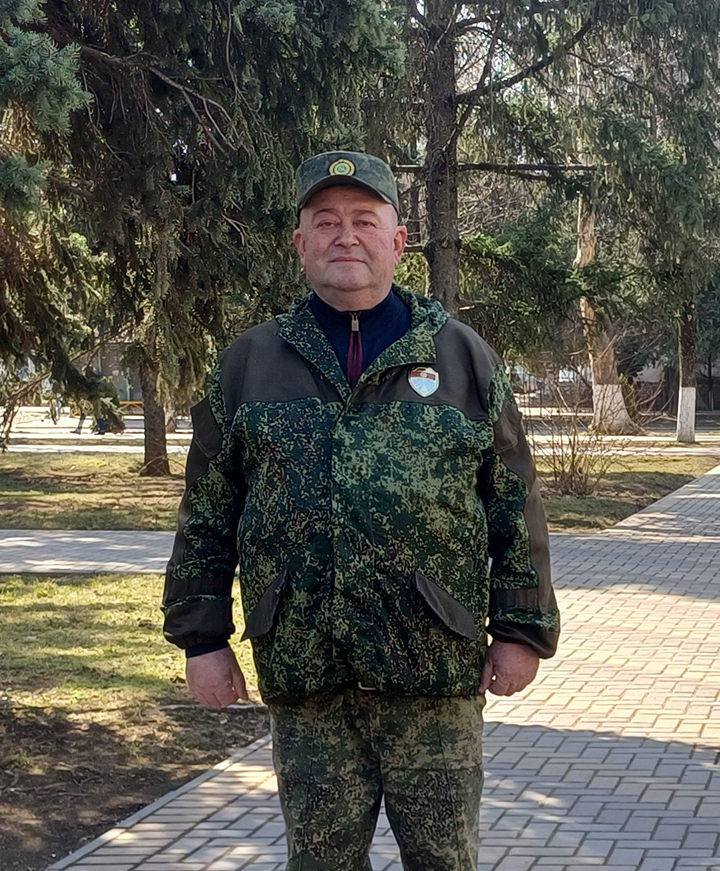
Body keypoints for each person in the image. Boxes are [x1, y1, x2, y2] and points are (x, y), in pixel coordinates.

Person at [162, 151, 559, 871]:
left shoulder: (462, 357)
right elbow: (208, 513)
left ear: (398, 241)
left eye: (365, 221)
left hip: (433, 674)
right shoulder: (251, 362)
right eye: (326, 222)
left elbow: (513, 502)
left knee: (444, 863)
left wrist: (521, 631)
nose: (345, 236)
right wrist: (201, 639)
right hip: (307, 676)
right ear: (300, 243)